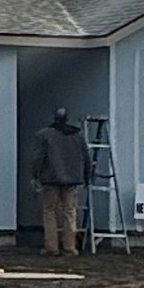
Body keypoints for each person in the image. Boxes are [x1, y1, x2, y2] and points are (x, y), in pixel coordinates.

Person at [30, 108, 94, 257]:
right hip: (72, 179)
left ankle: (51, 247)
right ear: (67, 118)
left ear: (54, 118)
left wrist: (35, 176)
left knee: (49, 211)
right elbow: (86, 158)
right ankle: (69, 247)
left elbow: (38, 158)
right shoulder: (77, 136)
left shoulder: (44, 135)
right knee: (70, 212)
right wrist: (87, 176)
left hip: (50, 179)